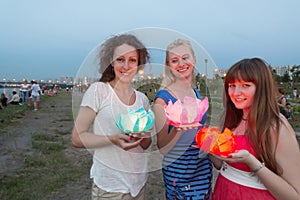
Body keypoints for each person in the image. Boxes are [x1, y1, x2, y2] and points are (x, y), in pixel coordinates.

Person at [72, 34, 152, 200]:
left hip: (138, 184)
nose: (126, 66)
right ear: (111, 62)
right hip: (110, 188)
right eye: (120, 59)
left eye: (132, 60)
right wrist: (112, 139)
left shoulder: (142, 99)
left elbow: (146, 144)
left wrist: (143, 136)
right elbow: (77, 138)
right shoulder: (99, 91)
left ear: (138, 64)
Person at [210, 58, 300, 199]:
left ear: (261, 88)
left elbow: (294, 196)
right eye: (232, 85)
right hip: (224, 191)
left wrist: (252, 162)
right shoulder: (232, 120)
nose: (236, 92)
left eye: (245, 85)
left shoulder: (275, 126)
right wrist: (209, 149)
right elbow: (222, 166)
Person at [153, 39, 212, 199]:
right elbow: (163, 148)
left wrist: (210, 139)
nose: (181, 63)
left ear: (194, 60)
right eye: (174, 60)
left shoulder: (196, 94)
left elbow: (198, 131)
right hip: (178, 171)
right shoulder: (162, 100)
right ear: (169, 66)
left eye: (185, 58)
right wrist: (178, 129)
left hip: (202, 167)